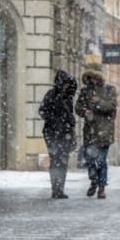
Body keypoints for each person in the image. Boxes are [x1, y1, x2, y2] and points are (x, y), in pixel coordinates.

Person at [75, 56, 118, 199]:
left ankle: (101, 187)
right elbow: (78, 107)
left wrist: (99, 103)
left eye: (95, 78)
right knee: (91, 160)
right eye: (90, 78)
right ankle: (93, 181)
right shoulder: (85, 91)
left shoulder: (109, 90)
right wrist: (84, 111)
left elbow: (111, 106)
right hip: (90, 131)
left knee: (101, 160)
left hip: (105, 132)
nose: (92, 81)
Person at [39, 70, 77, 199]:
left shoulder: (68, 97)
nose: (66, 86)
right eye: (65, 83)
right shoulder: (51, 95)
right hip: (52, 132)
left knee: (63, 160)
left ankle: (60, 188)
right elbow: (42, 111)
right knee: (56, 160)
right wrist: (56, 120)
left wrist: (69, 121)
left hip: (65, 132)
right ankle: (55, 189)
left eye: (68, 84)